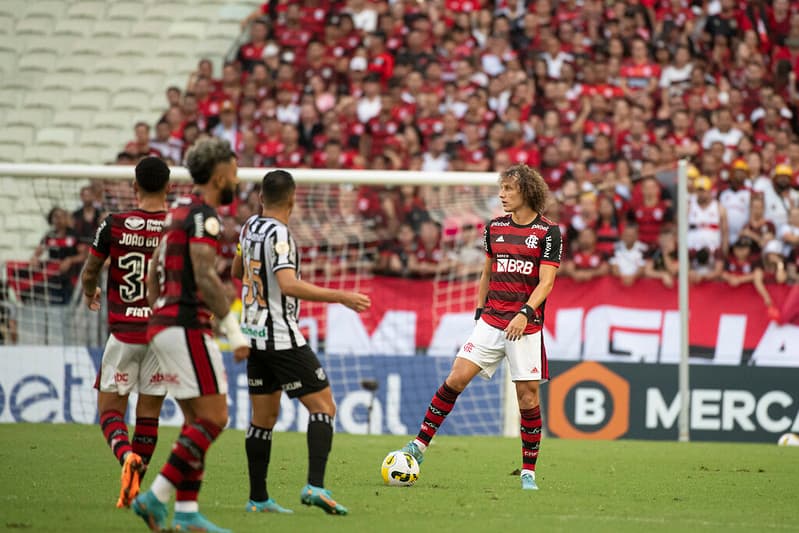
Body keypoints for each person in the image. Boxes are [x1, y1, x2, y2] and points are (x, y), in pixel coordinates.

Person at [397, 164, 562, 491]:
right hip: (491, 320)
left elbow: (547, 282)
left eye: (508, 189)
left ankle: (528, 470)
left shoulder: (548, 232)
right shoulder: (494, 228)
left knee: (527, 399)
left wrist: (525, 313)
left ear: (526, 192)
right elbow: (487, 273)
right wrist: (478, 313)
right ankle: (420, 445)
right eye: (501, 188)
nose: (501, 195)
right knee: (456, 377)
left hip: (525, 326)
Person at [231, 169, 370, 516]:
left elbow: (236, 270)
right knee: (324, 408)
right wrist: (339, 296)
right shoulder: (281, 235)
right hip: (281, 334)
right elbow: (289, 284)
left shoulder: (250, 226)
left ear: (261, 197)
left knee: (263, 418)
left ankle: (258, 498)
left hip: (254, 334)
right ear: (293, 199)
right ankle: (315, 486)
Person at [132, 138, 249, 533]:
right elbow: (203, 274)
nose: (237, 178)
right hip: (184, 326)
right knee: (215, 417)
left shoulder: (177, 211)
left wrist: (158, 312)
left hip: (163, 322)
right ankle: (155, 497)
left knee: (194, 420)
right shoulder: (204, 216)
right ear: (219, 175)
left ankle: (186, 514)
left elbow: (152, 273)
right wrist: (233, 332)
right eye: (233, 171)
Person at [80, 157, 170, 509]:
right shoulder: (176, 227)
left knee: (109, 413)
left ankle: (125, 456)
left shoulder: (113, 224)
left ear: (135, 186)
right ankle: (133, 489)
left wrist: (91, 292)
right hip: (162, 336)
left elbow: (90, 270)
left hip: (124, 333)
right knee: (149, 416)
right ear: (169, 188)